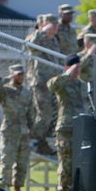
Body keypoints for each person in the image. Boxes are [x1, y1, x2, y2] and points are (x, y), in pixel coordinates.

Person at [48, 53, 87, 191]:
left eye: (79, 67)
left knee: (81, 161)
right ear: (67, 67)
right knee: (66, 162)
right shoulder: (62, 82)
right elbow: (52, 86)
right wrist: (67, 74)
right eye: (74, 67)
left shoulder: (83, 85)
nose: (77, 70)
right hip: (66, 127)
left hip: (82, 127)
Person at [0, 64, 32, 191]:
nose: (21, 77)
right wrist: (6, 79)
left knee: (22, 162)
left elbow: (30, 112)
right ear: (12, 74)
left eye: (22, 74)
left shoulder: (26, 93)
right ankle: (4, 189)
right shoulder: (4, 90)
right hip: (9, 130)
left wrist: (32, 128)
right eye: (18, 74)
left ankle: (17, 190)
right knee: (7, 161)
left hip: (24, 131)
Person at [28, 14, 60, 155]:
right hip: (41, 81)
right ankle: (28, 138)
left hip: (52, 82)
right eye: (51, 24)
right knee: (44, 115)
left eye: (56, 25)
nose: (54, 27)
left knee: (51, 116)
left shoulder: (54, 41)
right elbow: (30, 46)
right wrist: (42, 31)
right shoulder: (39, 37)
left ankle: (42, 144)